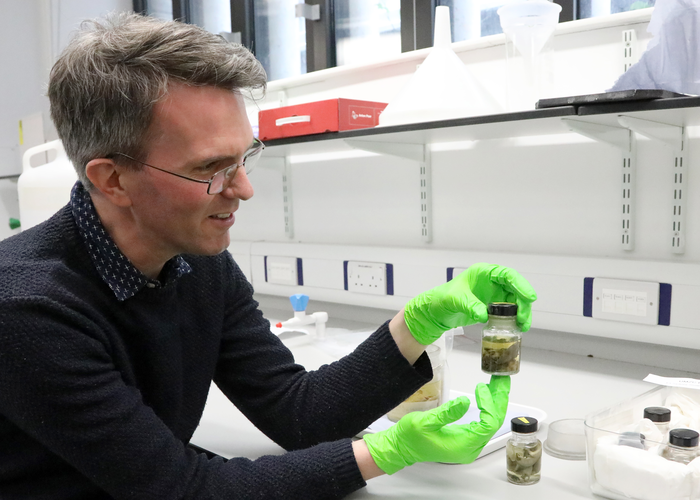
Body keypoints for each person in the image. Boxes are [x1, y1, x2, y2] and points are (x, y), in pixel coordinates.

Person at [0, 12, 537, 500]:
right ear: (112, 179)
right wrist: (385, 452)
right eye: (211, 167)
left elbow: (298, 411)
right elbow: (183, 489)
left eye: (244, 157)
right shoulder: (26, 308)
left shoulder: (195, 261)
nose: (244, 189)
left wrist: (416, 325)